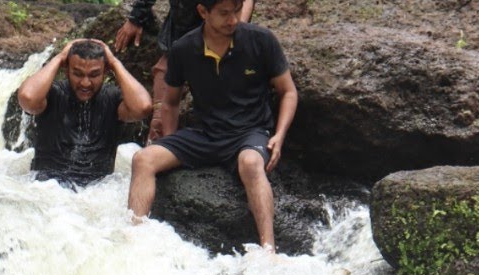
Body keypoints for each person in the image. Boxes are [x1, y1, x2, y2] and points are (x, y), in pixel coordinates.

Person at [128, 0, 297, 252]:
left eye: (236, 12)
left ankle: (268, 248)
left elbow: (288, 92)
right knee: (143, 159)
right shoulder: (184, 48)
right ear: (203, 12)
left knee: (250, 163)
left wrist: (279, 136)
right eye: (224, 14)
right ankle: (133, 239)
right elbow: (171, 102)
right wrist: (170, 141)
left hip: (249, 133)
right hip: (205, 135)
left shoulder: (261, 40)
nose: (233, 20)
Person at [16, 39, 152, 188]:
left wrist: (114, 62)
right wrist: (60, 57)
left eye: (94, 75)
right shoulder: (53, 94)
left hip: (96, 192)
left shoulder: (112, 99)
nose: (85, 83)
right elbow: (27, 98)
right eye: (78, 74)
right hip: (48, 188)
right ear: (66, 69)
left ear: (105, 72)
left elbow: (143, 108)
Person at [115, 0, 255, 142]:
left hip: (219, 36)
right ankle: (163, 147)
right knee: (160, 118)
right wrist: (136, 18)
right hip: (179, 34)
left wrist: (237, 29)